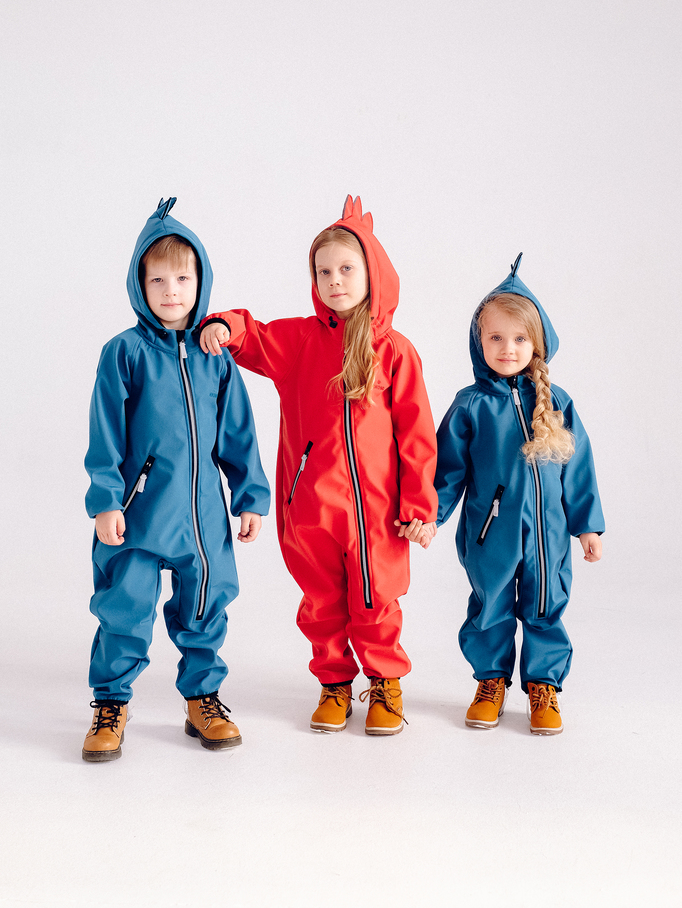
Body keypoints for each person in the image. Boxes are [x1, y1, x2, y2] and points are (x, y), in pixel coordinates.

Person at [200, 195, 438, 736]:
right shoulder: (302, 340)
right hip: (311, 506)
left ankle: (385, 683)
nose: (334, 280)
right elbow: (254, 334)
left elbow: (417, 436)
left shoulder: (394, 351)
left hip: (378, 513)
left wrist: (419, 507)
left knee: (376, 600)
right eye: (323, 271)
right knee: (322, 602)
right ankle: (334, 684)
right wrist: (224, 325)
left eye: (347, 269)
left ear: (372, 273)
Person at [82, 198, 270, 762]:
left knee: (206, 607)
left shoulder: (216, 357)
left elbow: (238, 434)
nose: (171, 291)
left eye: (183, 278)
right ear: (140, 285)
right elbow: (105, 436)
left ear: (200, 281)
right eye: (158, 280)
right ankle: (110, 703)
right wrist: (105, 501)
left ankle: (202, 699)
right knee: (125, 609)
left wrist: (250, 497)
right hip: (137, 515)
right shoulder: (124, 353)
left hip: (202, 518)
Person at [434, 254, 604, 735]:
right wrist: (431, 515)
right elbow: (447, 470)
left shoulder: (558, 402)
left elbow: (578, 469)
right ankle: (490, 681)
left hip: (549, 534)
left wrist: (587, 526)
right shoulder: (471, 405)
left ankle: (543, 686)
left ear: (537, 343)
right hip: (489, 532)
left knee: (546, 604)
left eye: (519, 339)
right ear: (479, 341)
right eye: (495, 338)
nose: (507, 349)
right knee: (490, 605)